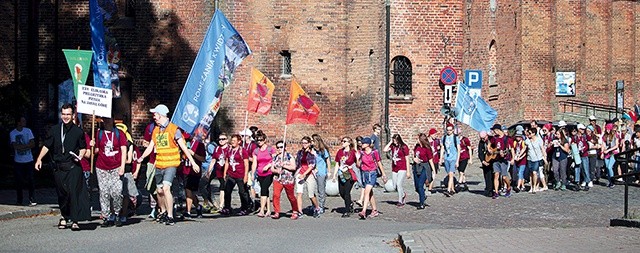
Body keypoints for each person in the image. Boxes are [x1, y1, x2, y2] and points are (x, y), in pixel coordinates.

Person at [136, 104, 200, 225]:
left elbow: (184, 147)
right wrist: (142, 157)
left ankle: (170, 216)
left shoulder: (174, 129)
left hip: (171, 164)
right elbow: (150, 147)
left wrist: (193, 162)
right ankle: (163, 211)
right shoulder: (156, 130)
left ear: (160, 115)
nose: (153, 117)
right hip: (159, 164)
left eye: (155, 114)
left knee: (166, 188)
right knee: (159, 191)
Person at [34, 103, 90, 231]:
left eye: (68, 114)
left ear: (73, 115)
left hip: (73, 167)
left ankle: (75, 220)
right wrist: (39, 159)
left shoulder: (78, 131)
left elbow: (83, 148)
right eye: (63, 114)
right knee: (62, 194)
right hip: (59, 167)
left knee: (73, 193)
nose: (65, 117)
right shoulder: (54, 130)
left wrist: (80, 156)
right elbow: (47, 145)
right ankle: (64, 216)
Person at [94, 118, 127, 227]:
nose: (107, 121)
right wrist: (92, 145)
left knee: (117, 192)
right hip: (102, 167)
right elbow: (96, 151)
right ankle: (106, 216)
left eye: (109, 119)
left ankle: (117, 213)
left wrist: (122, 166)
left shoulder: (119, 133)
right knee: (104, 192)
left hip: (116, 167)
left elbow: (123, 150)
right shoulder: (99, 133)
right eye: (105, 119)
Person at [115, 122, 141, 224]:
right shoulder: (113, 140)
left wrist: (117, 160)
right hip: (114, 170)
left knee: (126, 193)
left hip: (126, 171)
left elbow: (129, 160)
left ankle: (124, 214)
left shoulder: (129, 143)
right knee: (114, 193)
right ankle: (114, 213)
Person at [220, 134, 251, 216]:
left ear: (239, 142)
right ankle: (227, 207)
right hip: (231, 174)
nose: (232, 142)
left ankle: (245, 208)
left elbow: (246, 164)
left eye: (234, 141)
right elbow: (227, 161)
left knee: (242, 192)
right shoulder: (229, 150)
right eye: (232, 141)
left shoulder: (242, 151)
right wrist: (225, 173)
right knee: (227, 191)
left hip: (240, 174)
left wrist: (246, 176)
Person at [356, 137, 387, 219]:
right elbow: (358, 165)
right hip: (364, 174)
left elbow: (379, 163)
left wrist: (384, 175)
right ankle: (374, 210)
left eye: (363, 143)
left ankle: (363, 211)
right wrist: (358, 158)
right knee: (370, 193)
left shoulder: (374, 152)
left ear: (368, 144)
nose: (361, 145)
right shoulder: (361, 153)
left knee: (366, 192)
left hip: (372, 173)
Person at [10, 116, 36, 206]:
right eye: (22, 121)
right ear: (18, 122)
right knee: (19, 181)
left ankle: (31, 199)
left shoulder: (28, 131)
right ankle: (19, 200)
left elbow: (32, 143)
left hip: (29, 159)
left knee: (31, 180)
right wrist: (26, 145)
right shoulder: (13, 133)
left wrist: (23, 147)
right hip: (18, 161)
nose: (24, 122)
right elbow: (15, 146)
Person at [270, 141, 299, 219]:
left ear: (285, 148)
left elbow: (293, 167)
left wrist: (285, 165)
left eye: (281, 147)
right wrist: (276, 171)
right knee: (276, 195)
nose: (280, 149)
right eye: (278, 147)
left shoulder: (289, 157)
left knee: (291, 196)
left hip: (288, 179)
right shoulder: (275, 157)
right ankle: (276, 212)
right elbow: (272, 168)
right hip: (278, 179)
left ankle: (295, 211)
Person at [251, 130, 275, 218]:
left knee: (263, 190)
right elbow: (254, 163)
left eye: (261, 140)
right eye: (257, 140)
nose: (259, 142)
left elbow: (275, 160)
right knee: (265, 191)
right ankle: (268, 210)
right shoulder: (256, 151)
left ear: (265, 140)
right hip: (260, 173)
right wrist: (253, 174)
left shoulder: (270, 149)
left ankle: (261, 210)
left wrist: (268, 165)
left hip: (269, 173)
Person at [332, 136, 358, 217]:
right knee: (341, 192)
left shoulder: (353, 152)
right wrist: (334, 174)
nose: (342, 143)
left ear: (349, 143)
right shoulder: (340, 152)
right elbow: (337, 163)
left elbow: (358, 164)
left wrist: (353, 165)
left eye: (344, 141)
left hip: (350, 174)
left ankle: (347, 211)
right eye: (342, 141)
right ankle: (350, 203)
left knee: (347, 192)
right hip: (341, 173)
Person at [383, 133, 411, 207]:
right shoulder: (393, 146)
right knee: (395, 186)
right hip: (394, 167)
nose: (394, 142)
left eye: (395, 140)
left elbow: (407, 159)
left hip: (402, 167)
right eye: (393, 140)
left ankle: (400, 201)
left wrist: (408, 171)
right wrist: (390, 142)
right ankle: (403, 194)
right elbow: (385, 150)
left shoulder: (404, 147)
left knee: (399, 183)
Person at [295, 136, 320, 218]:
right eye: (302, 143)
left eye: (306, 143)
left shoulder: (312, 153)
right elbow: (297, 163)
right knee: (299, 193)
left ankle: (317, 207)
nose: (304, 145)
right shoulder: (300, 152)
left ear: (309, 144)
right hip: (300, 173)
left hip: (309, 174)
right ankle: (300, 211)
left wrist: (304, 174)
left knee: (311, 194)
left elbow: (311, 166)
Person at [182, 134, 205, 218]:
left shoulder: (199, 144)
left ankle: (188, 211)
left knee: (190, 191)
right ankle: (197, 207)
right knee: (188, 191)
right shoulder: (182, 143)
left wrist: (193, 153)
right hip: (185, 170)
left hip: (194, 171)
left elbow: (202, 158)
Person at [206, 133, 229, 212]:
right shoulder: (217, 149)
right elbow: (213, 160)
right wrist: (209, 171)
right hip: (218, 170)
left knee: (222, 188)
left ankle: (221, 205)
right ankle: (213, 203)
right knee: (206, 184)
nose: (221, 141)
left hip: (226, 171)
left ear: (227, 140)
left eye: (223, 139)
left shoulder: (229, 149)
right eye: (220, 139)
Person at [489, 124, 514, 199]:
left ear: (497, 130)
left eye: (494, 131)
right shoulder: (495, 138)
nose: (494, 132)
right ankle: (496, 192)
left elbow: (511, 149)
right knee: (496, 175)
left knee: (504, 177)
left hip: (504, 159)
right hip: (496, 158)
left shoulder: (507, 139)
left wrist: (512, 158)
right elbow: (489, 144)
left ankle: (509, 188)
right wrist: (489, 149)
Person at [413, 133, 435, 209]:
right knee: (417, 187)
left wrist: (433, 171)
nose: (416, 140)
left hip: (424, 167)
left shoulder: (427, 149)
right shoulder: (417, 147)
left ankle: (421, 203)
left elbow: (430, 160)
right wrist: (414, 159)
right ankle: (423, 195)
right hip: (416, 167)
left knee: (420, 185)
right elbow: (414, 156)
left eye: (418, 139)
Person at [142, 121, 158, 219]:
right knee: (150, 186)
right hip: (151, 161)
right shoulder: (151, 127)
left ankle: (160, 208)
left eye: (156, 114)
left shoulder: (170, 128)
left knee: (161, 187)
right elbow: (145, 142)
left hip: (164, 161)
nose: (154, 117)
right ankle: (154, 206)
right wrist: (147, 145)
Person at [311, 134, 331, 215]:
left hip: (321, 172)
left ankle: (321, 206)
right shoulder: (311, 150)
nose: (311, 142)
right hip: (312, 172)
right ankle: (314, 205)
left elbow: (328, 161)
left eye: (312, 140)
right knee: (311, 189)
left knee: (321, 190)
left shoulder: (323, 150)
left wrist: (329, 171)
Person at [440, 124, 460, 196]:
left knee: (451, 174)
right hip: (446, 158)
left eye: (450, 130)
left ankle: (448, 190)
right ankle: (452, 189)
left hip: (453, 158)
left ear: (453, 130)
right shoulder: (444, 138)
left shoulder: (455, 138)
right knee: (449, 174)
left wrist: (457, 160)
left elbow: (458, 149)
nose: (449, 131)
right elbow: (442, 148)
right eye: (447, 130)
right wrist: (441, 158)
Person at [199, 134, 218, 212]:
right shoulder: (201, 144)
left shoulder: (209, 146)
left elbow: (216, 157)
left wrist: (210, 170)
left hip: (210, 169)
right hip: (203, 168)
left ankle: (209, 202)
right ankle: (213, 204)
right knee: (206, 187)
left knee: (202, 185)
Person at [524, 128, 546, 193]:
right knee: (531, 174)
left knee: (534, 172)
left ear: (534, 134)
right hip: (529, 158)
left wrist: (545, 157)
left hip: (537, 159)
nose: (528, 134)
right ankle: (531, 187)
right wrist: (519, 155)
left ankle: (534, 187)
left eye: (530, 133)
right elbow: (524, 149)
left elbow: (542, 149)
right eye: (528, 133)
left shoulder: (539, 140)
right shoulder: (527, 140)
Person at [551, 126, 571, 191]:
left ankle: (563, 183)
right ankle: (558, 181)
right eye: (556, 134)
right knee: (555, 170)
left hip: (562, 157)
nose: (556, 135)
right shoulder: (554, 139)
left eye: (558, 134)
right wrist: (551, 144)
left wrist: (560, 145)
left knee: (563, 171)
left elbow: (567, 150)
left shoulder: (565, 140)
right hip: (555, 156)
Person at [574, 124, 592, 190]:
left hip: (584, 155)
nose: (583, 130)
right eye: (582, 129)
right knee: (577, 168)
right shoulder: (575, 137)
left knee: (585, 168)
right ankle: (577, 182)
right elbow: (573, 144)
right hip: (577, 155)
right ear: (579, 129)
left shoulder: (585, 136)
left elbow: (591, 139)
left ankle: (587, 181)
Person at [601, 123, 618, 188]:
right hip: (606, 153)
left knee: (609, 167)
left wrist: (608, 150)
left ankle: (612, 181)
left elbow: (616, 145)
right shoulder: (605, 136)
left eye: (608, 128)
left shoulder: (615, 135)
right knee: (607, 168)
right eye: (606, 128)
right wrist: (602, 152)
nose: (607, 130)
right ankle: (610, 181)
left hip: (613, 153)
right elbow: (603, 144)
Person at [477, 131, 493, 197]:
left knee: (493, 175)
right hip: (485, 160)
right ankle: (488, 189)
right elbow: (480, 152)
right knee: (487, 176)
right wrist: (483, 161)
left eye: (484, 138)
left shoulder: (492, 140)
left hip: (492, 160)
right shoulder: (481, 142)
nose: (483, 140)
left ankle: (493, 189)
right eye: (482, 138)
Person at [427, 128, 441, 194]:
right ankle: (427, 183)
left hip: (435, 159)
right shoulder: (427, 142)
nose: (435, 135)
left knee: (434, 173)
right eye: (434, 134)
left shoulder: (437, 141)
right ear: (431, 134)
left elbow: (440, 147)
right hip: (428, 160)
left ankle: (430, 187)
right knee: (427, 173)